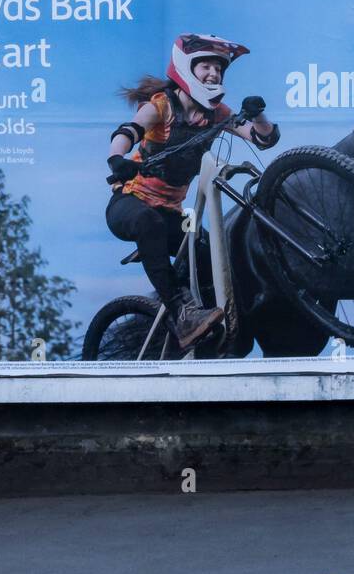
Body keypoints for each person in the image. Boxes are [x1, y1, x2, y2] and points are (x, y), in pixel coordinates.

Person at [105, 33, 280, 351]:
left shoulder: (218, 113)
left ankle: (213, 329)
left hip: (171, 216)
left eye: (219, 69)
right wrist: (118, 159)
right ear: (187, 68)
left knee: (210, 258)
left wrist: (258, 116)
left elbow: (262, 139)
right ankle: (181, 313)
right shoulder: (161, 106)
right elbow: (128, 131)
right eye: (206, 67)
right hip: (129, 205)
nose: (213, 74)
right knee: (150, 224)